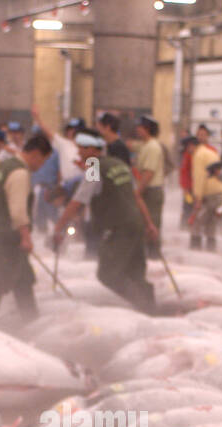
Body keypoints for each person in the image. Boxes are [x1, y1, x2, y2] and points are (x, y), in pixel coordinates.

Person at [54, 133, 159, 314]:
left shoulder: (94, 168)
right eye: (79, 147)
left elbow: (78, 201)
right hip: (135, 224)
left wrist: (58, 227)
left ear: (95, 150)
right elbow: (136, 196)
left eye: (83, 148)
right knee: (135, 272)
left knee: (107, 274)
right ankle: (150, 307)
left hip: (118, 227)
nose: (79, 151)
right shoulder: (120, 164)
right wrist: (149, 224)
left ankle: (141, 304)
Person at [0, 134, 52, 327]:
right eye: (43, 160)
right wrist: (26, 237)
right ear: (35, 154)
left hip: (0, 231)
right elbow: (18, 210)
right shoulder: (20, 173)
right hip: (8, 236)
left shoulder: (6, 165)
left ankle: (32, 322)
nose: (41, 166)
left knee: (23, 280)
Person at [132, 115, 166, 259]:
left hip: (151, 191)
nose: (137, 130)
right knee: (146, 225)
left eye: (139, 127)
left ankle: (154, 257)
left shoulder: (153, 147)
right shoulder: (145, 145)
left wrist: (138, 192)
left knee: (151, 226)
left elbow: (149, 172)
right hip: (146, 190)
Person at [189, 133, 222, 251]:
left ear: (191, 145)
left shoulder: (198, 155)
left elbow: (199, 177)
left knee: (197, 221)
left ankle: (195, 248)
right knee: (211, 222)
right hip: (219, 192)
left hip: (209, 194)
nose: (187, 151)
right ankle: (211, 249)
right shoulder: (211, 152)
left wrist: (198, 198)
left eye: (187, 147)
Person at [179, 135, 198, 228]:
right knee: (187, 206)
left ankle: (186, 226)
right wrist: (185, 188)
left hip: (192, 187)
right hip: (189, 188)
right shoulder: (187, 155)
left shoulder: (192, 155)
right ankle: (185, 226)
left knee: (189, 207)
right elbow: (184, 172)